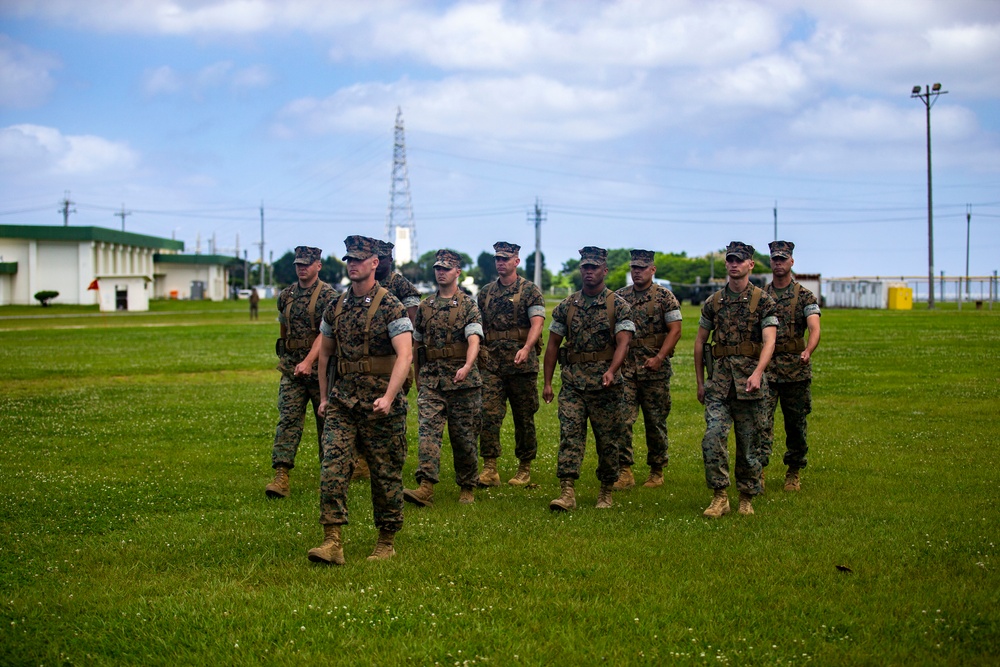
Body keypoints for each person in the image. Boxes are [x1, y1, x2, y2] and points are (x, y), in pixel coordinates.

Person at [307, 235, 413, 564]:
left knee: (385, 474)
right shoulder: (335, 306)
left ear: (373, 264)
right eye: (349, 260)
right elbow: (325, 356)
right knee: (333, 469)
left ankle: (386, 541)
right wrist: (324, 398)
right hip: (343, 404)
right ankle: (332, 541)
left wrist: (389, 396)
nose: (352, 264)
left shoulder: (392, 305)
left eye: (358, 259)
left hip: (381, 406)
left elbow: (405, 355)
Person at [543, 246, 634, 511]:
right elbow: (553, 346)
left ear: (604, 270)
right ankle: (567, 492)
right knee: (570, 435)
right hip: (573, 384)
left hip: (606, 386)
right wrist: (548, 382)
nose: (589, 271)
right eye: (585, 267)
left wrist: (612, 370)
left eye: (594, 267)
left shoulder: (618, 305)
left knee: (608, 440)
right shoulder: (567, 306)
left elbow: (623, 343)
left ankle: (606, 491)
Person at [693, 241, 777, 517]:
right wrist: (699, 381)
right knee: (713, 436)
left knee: (749, 444)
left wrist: (757, 373)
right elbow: (700, 342)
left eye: (739, 260)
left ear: (750, 265)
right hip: (719, 384)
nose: (733, 264)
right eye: (730, 260)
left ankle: (746, 497)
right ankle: (719, 496)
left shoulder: (763, 300)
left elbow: (769, 342)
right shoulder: (713, 302)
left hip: (750, 384)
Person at [403, 249, 484, 507]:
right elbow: (417, 345)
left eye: (446, 269)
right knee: (428, 434)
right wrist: (417, 378)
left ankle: (467, 486)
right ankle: (425, 486)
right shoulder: (425, 307)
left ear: (457, 272)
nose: (441, 272)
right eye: (438, 268)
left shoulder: (468, 305)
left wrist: (468, 365)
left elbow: (474, 340)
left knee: (464, 439)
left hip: (463, 384)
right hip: (431, 382)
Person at [342, 239, 421, 483]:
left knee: (390, 412)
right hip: (362, 361)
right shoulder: (359, 285)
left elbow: (412, 320)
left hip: (395, 359)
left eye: (385, 259)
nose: (382, 263)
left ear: (388, 261)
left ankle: (390, 456)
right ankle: (362, 460)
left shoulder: (401, 286)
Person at [264, 246, 336, 499]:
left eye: (307, 264)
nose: (301, 268)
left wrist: (308, 361)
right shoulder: (286, 296)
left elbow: (325, 336)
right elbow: (284, 330)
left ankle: (330, 475)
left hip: (320, 372)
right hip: (292, 370)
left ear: (318, 265)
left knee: (327, 423)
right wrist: (289, 358)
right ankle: (281, 475)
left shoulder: (329, 296)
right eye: (298, 264)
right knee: (288, 420)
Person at [476, 241, 545, 487]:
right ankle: (490, 468)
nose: (500, 263)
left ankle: (524, 467)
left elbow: (537, 323)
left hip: (521, 366)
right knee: (488, 414)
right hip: (492, 364)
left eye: (505, 258)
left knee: (523, 417)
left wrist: (527, 348)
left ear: (516, 261)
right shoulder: (485, 293)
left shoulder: (529, 290)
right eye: (497, 259)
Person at [613, 249, 682, 490]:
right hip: (627, 370)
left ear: (652, 270)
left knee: (655, 422)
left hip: (654, 371)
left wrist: (660, 357)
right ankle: (624, 470)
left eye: (642, 268)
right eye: (634, 268)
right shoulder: (619, 297)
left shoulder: (665, 297)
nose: (637, 272)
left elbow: (675, 329)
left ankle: (656, 470)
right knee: (622, 420)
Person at [761, 240, 821, 491]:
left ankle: (793, 471)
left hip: (795, 371)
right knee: (760, 423)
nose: (778, 263)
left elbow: (814, 327)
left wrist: (808, 349)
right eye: (775, 259)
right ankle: (758, 470)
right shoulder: (760, 296)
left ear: (791, 262)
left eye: (783, 259)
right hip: (766, 370)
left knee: (795, 424)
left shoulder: (804, 295)